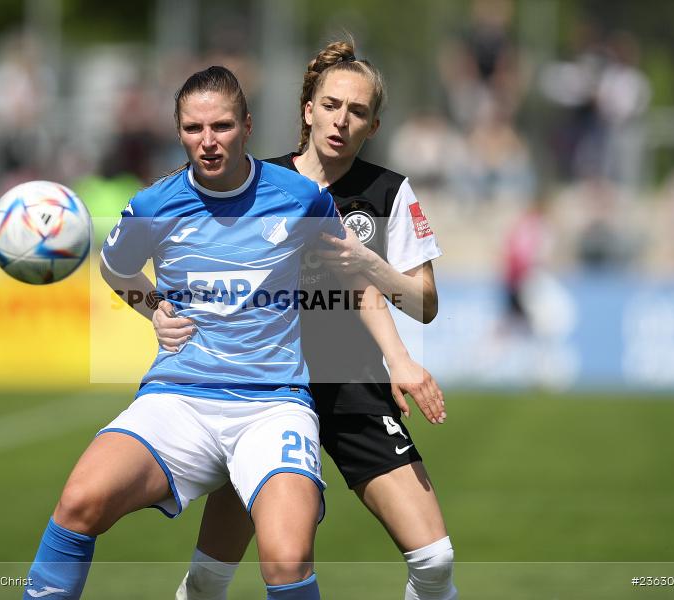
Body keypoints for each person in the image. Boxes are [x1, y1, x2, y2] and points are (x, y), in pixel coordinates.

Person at [22, 65, 428, 600]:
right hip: (178, 398)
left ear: (248, 126)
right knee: (79, 503)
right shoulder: (153, 205)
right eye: (194, 129)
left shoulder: (300, 197)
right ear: (178, 131)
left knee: (285, 559)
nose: (208, 142)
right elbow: (114, 267)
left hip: (273, 405)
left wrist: (399, 358)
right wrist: (155, 310)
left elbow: (355, 281)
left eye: (222, 127)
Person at [159, 42, 457, 600]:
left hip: (355, 387)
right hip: (263, 391)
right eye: (331, 104)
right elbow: (186, 250)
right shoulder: (255, 180)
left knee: (436, 562)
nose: (341, 120)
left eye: (358, 111)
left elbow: (424, 302)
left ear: (373, 125)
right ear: (308, 109)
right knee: (209, 577)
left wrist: (372, 267)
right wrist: (160, 309)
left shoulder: (389, 193)